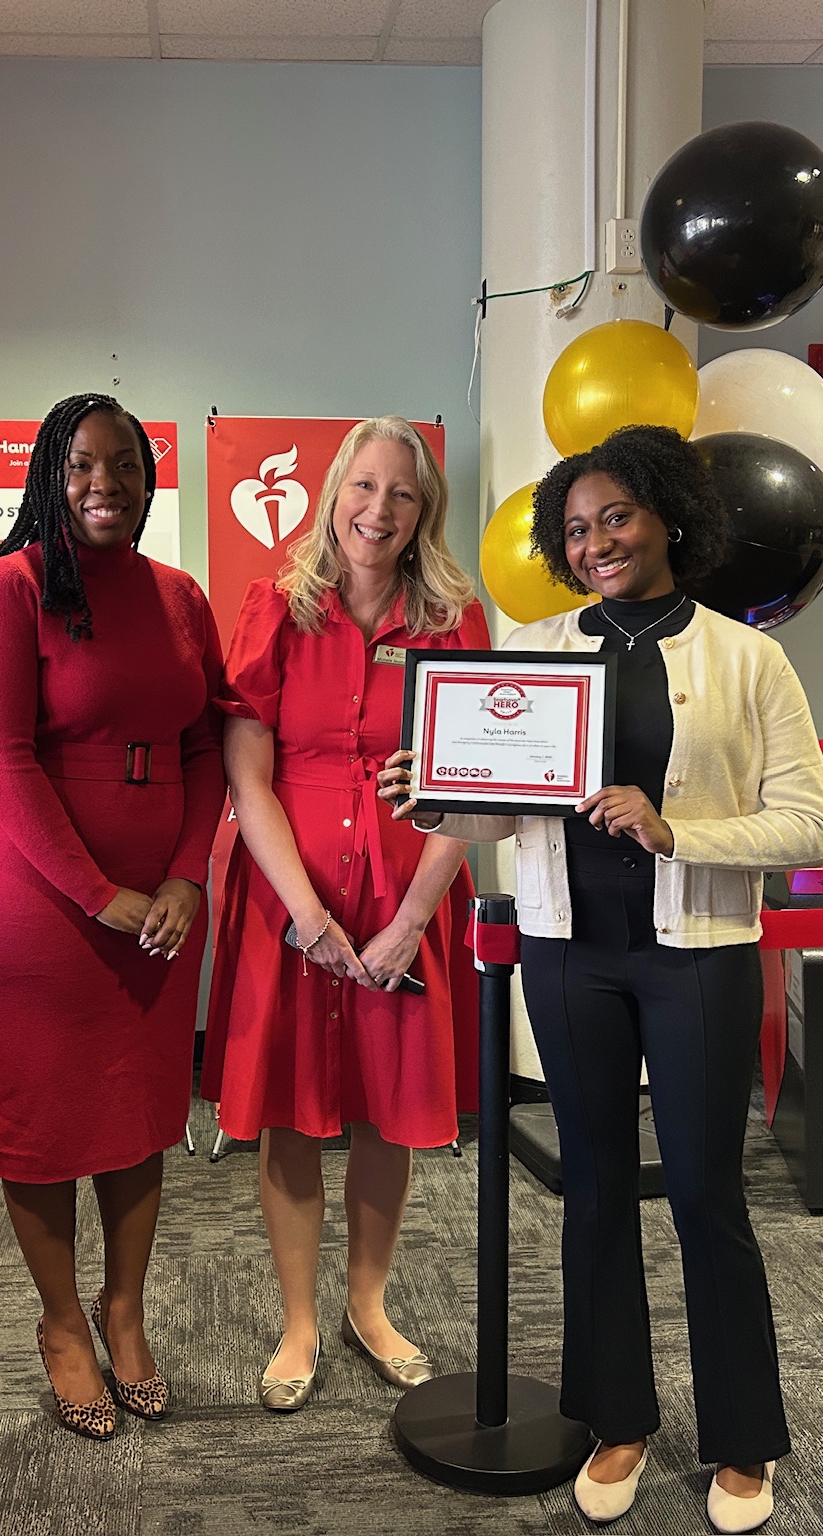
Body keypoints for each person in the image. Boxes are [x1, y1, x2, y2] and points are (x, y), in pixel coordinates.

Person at [378, 425, 823, 1532]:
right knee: (589, 1194)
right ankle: (616, 1417)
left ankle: (741, 1440)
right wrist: (432, 795)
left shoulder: (746, 657)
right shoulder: (536, 650)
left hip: (695, 954)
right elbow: (507, 806)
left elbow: (808, 826)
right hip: (567, 950)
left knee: (700, 1196)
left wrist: (673, 831)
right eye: (575, 529)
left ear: (668, 516)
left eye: (614, 518)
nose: (595, 544)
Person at [0, 393, 225, 1440]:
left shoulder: (178, 595)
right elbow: (1, 760)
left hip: (159, 907)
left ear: (148, 477)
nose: (102, 484)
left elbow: (202, 747)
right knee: (44, 1128)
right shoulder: (9, 590)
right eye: (77, 467)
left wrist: (187, 878)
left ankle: (123, 1313)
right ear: (46, 480)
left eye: (121, 464)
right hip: (38, 908)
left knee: (137, 1116)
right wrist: (97, 893)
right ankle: (61, 1324)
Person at [204, 416, 488, 1413]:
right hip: (289, 902)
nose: (377, 510)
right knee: (289, 1113)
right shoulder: (273, 607)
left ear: (423, 514)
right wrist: (306, 916)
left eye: (400, 495)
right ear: (333, 495)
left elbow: (475, 781)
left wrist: (410, 919)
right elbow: (247, 771)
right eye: (362, 488)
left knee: (384, 1113)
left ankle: (369, 1307)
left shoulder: (453, 619)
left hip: (406, 901)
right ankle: (299, 1324)